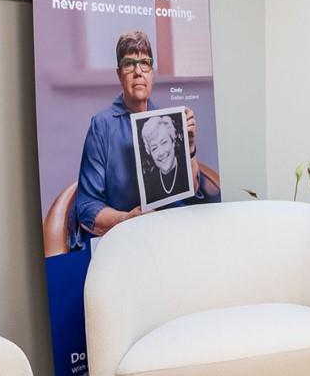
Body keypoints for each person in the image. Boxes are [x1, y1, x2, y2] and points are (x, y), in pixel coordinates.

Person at [72, 30, 219, 246]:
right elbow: (86, 208)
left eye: (144, 63)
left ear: (152, 73)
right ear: (119, 74)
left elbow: (193, 189)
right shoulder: (102, 126)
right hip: (125, 241)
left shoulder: (166, 120)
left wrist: (190, 149)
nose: (138, 72)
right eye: (129, 64)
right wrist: (126, 220)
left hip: (170, 236)